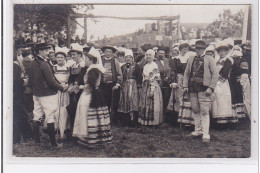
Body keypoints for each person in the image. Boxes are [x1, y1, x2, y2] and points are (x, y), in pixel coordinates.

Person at [28, 43, 67, 147]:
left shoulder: (32, 63)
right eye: (46, 50)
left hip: (36, 94)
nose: (48, 52)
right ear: (40, 51)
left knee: (36, 116)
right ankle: (54, 144)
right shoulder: (44, 64)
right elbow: (51, 82)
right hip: (47, 94)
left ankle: (37, 142)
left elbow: (30, 80)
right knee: (50, 117)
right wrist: (61, 87)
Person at [73, 48, 112, 148]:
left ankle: (90, 139)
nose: (85, 61)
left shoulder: (92, 70)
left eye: (86, 59)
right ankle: (95, 138)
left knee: (87, 114)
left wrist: (79, 87)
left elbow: (91, 86)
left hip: (90, 95)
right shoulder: (95, 68)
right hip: (94, 94)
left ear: (91, 60)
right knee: (95, 116)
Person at [183, 40, 218, 143]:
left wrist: (211, 88)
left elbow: (215, 74)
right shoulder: (191, 59)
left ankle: (206, 133)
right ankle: (197, 130)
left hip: (204, 89)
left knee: (204, 111)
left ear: (204, 49)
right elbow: (186, 74)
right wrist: (185, 86)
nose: (198, 50)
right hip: (192, 88)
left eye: (200, 48)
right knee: (195, 110)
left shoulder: (210, 59)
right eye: (197, 48)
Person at [168, 41, 194, 125]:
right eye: (183, 49)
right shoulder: (176, 59)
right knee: (178, 98)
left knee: (187, 98)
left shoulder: (190, 58)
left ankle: (186, 119)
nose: (185, 50)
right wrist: (174, 81)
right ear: (180, 50)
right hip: (178, 79)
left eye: (186, 49)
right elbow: (173, 71)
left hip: (187, 80)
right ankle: (176, 119)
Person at [212, 41, 237, 124]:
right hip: (217, 82)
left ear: (227, 52)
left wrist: (217, 76)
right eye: (220, 51)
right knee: (218, 98)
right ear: (218, 52)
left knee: (224, 98)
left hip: (224, 82)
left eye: (224, 51)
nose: (222, 53)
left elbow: (226, 72)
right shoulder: (218, 61)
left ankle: (225, 116)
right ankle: (219, 116)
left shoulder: (228, 60)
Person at [139, 49, 163, 126]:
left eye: (150, 55)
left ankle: (153, 122)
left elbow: (154, 78)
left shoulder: (154, 65)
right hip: (146, 85)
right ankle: (145, 121)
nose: (148, 56)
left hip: (152, 85)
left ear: (153, 56)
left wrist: (152, 90)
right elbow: (144, 77)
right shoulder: (145, 65)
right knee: (145, 102)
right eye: (147, 55)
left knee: (152, 102)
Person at [117, 49, 141, 126]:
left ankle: (133, 121)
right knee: (124, 101)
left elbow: (139, 77)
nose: (128, 59)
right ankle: (125, 121)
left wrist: (139, 86)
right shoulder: (122, 66)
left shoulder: (136, 66)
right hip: (124, 86)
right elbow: (120, 76)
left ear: (132, 58)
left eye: (129, 57)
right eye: (126, 57)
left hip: (133, 85)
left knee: (133, 101)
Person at [13, 54, 33, 144]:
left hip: (16, 93)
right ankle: (17, 139)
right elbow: (15, 81)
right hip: (16, 93)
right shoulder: (14, 65)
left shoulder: (15, 63)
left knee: (20, 115)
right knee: (18, 116)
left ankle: (26, 136)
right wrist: (24, 81)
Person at [100, 45, 122, 123]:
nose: (108, 53)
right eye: (106, 51)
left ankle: (113, 119)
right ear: (104, 52)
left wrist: (117, 84)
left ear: (112, 53)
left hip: (112, 85)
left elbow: (119, 74)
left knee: (113, 102)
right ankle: (104, 118)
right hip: (102, 85)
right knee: (103, 101)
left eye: (110, 52)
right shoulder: (100, 61)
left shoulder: (115, 61)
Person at [66, 44, 86, 131]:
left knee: (79, 109)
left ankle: (80, 130)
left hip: (81, 90)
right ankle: (73, 130)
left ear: (80, 55)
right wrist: (70, 85)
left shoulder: (83, 65)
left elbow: (81, 78)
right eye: (71, 55)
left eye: (74, 54)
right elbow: (71, 77)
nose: (72, 56)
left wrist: (75, 86)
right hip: (73, 90)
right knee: (72, 109)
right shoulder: (73, 65)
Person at [53, 47, 71, 139]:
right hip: (57, 90)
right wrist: (58, 86)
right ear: (55, 58)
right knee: (57, 108)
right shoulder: (53, 68)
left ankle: (66, 128)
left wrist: (67, 86)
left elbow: (71, 79)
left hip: (66, 90)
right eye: (58, 57)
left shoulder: (69, 68)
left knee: (65, 107)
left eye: (62, 57)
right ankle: (57, 128)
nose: (60, 59)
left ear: (65, 58)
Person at [154, 47, 171, 122]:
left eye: (163, 53)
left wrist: (167, 76)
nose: (161, 55)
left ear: (165, 54)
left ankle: (165, 116)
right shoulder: (155, 61)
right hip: (159, 82)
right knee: (159, 99)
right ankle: (158, 117)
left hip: (167, 83)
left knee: (166, 98)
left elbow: (169, 69)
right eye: (160, 53)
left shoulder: (167, 60)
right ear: (157, 53)